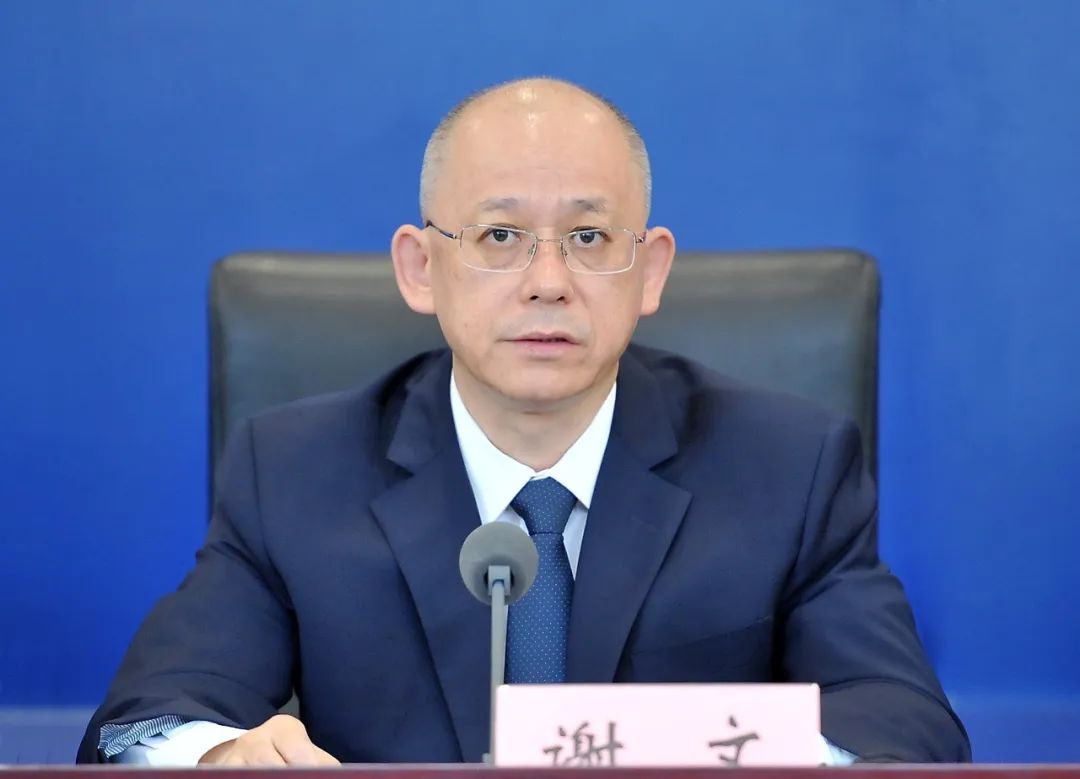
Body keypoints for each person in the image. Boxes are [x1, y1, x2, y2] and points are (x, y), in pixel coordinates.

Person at [77, 78, 970, 765]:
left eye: (589, 238)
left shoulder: (788, 467)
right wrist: (221, 755)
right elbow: (142, 724)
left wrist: (710, 750)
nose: (548, 282)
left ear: (650, 271)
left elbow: (905, 724)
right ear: (420, 268)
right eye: (499, 237)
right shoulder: (292, 472)